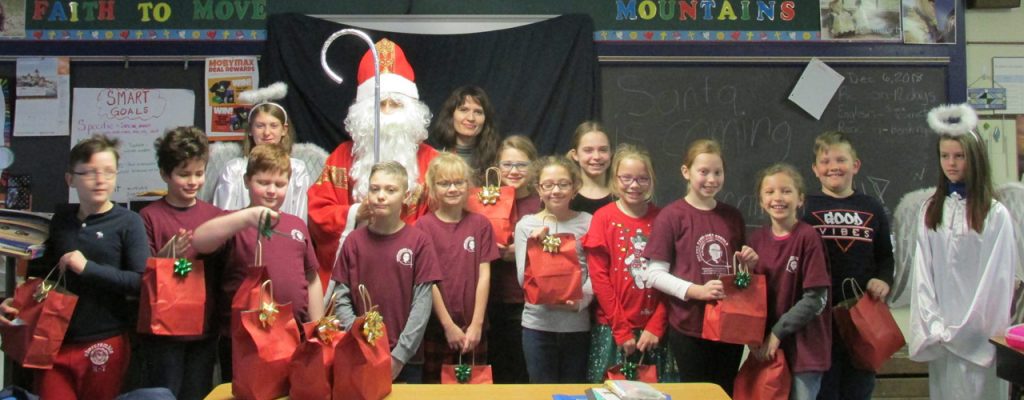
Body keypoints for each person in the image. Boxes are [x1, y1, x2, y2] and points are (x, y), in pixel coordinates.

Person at [0, 135, 149, 400]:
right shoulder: (61, 221)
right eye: (90, 172)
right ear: (70, 179)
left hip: (104, 339)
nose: (100, 180)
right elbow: (42, 277)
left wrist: (87, 268)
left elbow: (139, 282)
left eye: (108, 171)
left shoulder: (129, 222)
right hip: (51, 340)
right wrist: (16, 303)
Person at [308, 38, 439, 282]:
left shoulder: (433, 161)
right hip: (356, 269)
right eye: (380, 104)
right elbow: (318, 212)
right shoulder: (341, 157)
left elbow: (446, 221)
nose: (386, 112)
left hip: (411, 269)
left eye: (395, 104)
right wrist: (355, 214)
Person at [191, 144, 325, 382]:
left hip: (294, 334)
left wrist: (316, 325)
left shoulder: (296, 225)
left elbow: (312, 278)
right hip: (243, 340)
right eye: (263, 183)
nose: (272, 191)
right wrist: (246, 217)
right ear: (246, 181)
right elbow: (199, 241)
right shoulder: (231, 222)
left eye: (280, 184)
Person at [909, 104, 1016, 400]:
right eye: (945, 156)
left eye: (959, 156)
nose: (951, 164)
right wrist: (935, 325)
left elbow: (997, 281)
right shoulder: (931, 210)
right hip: (941, 336)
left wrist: (967, 331)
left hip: (980, 338)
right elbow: (923, 275)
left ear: (975, 158)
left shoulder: (994, 215)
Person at [642, 138, 758, 395]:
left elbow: (739, 275)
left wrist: (747, 265)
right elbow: (654, 274)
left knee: (723, 391)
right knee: (695, 392)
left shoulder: (732, 216)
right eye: (703, 172)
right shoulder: (672, 216)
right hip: (689, 325)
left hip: (729, 325)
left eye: (718, 172)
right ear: (686, 172)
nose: (711, 179)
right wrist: (697, 291)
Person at [330, 161, 443, 383]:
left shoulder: (419, 242)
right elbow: (341, 297)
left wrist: (399, 356)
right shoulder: (353, 241)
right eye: (375, 189)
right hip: (360, 353)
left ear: (406, 196)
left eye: (391, 190)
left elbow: (422, 303)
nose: (381, 196)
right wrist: (359, 338)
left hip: (406, 361)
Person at [802, 131, 893, 400]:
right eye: (825, 161)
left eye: (840, 160)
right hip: (819, 321)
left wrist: (884, 280)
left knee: (859, 390)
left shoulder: (872, 207)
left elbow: (886, 256)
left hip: (861, 320)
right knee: (824, 392)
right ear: (815, 169)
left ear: (855, 165)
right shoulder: (805, 208)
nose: (833, 167)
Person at [138, 127, 223, 400]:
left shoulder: (214, 216)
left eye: (199, 173)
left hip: (203, 329)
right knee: (163, 393)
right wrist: (165, 257)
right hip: (163, 332)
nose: (193, 181)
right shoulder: (149, 216)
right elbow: (141, 275)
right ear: (165, 173)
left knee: (198, 392)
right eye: (184, 174)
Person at [584, 144, 677, 383]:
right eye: (626, 178)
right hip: (612, 329)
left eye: (642, 179)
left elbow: (673, 278)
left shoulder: (664, 219)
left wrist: (656, 326)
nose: (634, 185)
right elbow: (599, 278)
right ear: (615, 179)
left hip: (653, 333)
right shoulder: (603, 218)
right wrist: (621, 330)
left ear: (652, 180)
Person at [749, 163, 832, 400]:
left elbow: (815, 299)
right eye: (770, 192)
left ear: (800, 199)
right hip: (769, 351)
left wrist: (777, 333)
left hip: (805, 351)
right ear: (761, 201)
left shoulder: (808, 237)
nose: (778, 198)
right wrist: (751, 336)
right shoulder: (756, 241)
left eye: (786, 191)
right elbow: (749, 295)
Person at [417, 153, 499, 383]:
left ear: (467, 185)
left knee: (474, 391)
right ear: (433, 188)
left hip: (474, 329)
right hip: (438, 328)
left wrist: (477, 324)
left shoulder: (480, 225)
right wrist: (448, 325)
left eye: (458, 182)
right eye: (444, 183)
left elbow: (484, 276)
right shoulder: (423, 227)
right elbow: (427, 281)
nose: (452, 189)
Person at [515, 155, 594, 383]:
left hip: (576, 324)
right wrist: (536, 247)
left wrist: (581, 301)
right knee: (541, 392)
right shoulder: (526, 226)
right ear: (538, 189)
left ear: (574, 188)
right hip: (537, 325)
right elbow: (522, 279)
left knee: (574, 393)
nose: (556, 191)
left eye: (563, 184)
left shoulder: (589, 222)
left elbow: (597, 273)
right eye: (548, 185)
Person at [207, 82, 316, 223]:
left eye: (273, 126)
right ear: (250, 130)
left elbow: (300, 219)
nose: (267, 133)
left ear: (284, 130)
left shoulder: (297, 169)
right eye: (260, 126)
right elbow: (223, 219)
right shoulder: (235, 169)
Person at [487, 135, 541, 383]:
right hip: (490, 300)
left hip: (527, 301)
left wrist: (521, 252)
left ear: (534, 167)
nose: (514, 171)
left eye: (521, 165)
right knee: (495, 374)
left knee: (522, 373)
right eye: (507, 164)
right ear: (497, 167)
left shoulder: (542, 202)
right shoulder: (485, 200)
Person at [428, 86, 501, 183]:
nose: (471, 118)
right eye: (464, 110)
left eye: (478, 112)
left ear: (485, 119)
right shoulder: (432, 154)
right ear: (451, 115)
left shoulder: (497, 157)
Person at [568, 121, 613, 215]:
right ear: (575, 155)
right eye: (588, 150)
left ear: (611, 153)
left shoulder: (621, 197)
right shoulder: (566, 197)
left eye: (603, 150)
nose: (596, 157)